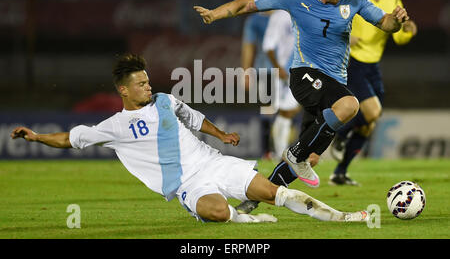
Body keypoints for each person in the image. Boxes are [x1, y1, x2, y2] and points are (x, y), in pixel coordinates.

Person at [10, 54, 368, 223]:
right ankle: (243, 219)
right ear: (123, 90)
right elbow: (70, 138)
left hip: (213, 163)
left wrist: (222, 134)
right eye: (141, 83)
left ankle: (343, 218)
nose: (149, 86)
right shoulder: (114, 126)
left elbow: (194, 118)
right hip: (186, 184)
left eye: (148, 81)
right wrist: (38, 136)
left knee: (276, 193)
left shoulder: (165, 100)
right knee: (216, 213)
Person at [194, 0, 409, 192]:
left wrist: (397, 20)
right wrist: (215, 14)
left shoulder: (354, 0)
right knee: (350, 104)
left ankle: (259, 195)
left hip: (333, 83)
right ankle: (296, 154)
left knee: (312, 155)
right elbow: (247, 4)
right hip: (305, 74)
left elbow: (386, 23)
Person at [328, 0, 418, 186]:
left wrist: (408, 29)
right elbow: (330, 25)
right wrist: (346, 37)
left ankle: (340, 172)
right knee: (374, 112)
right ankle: (338, 132)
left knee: (369, 124)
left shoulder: (392, 0)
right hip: (353, 63)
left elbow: (398, 37)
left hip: (373, 66)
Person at [260, 0, 304, 162]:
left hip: (303, 69)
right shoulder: (279, 15)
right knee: (281, 111)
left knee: (292, 110)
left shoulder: (307, 12)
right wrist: (278, 68)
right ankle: (280, 153)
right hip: (284, 72)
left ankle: (288, 152)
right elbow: (268, 45)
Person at [240, 0, 274, 158]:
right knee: (268, 111)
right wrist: (246, 72)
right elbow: (248, 47)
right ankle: (268, 151)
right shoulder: (254, 21)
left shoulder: (283, 16)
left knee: (285, 112)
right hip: (265, 71)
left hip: (289, 71)